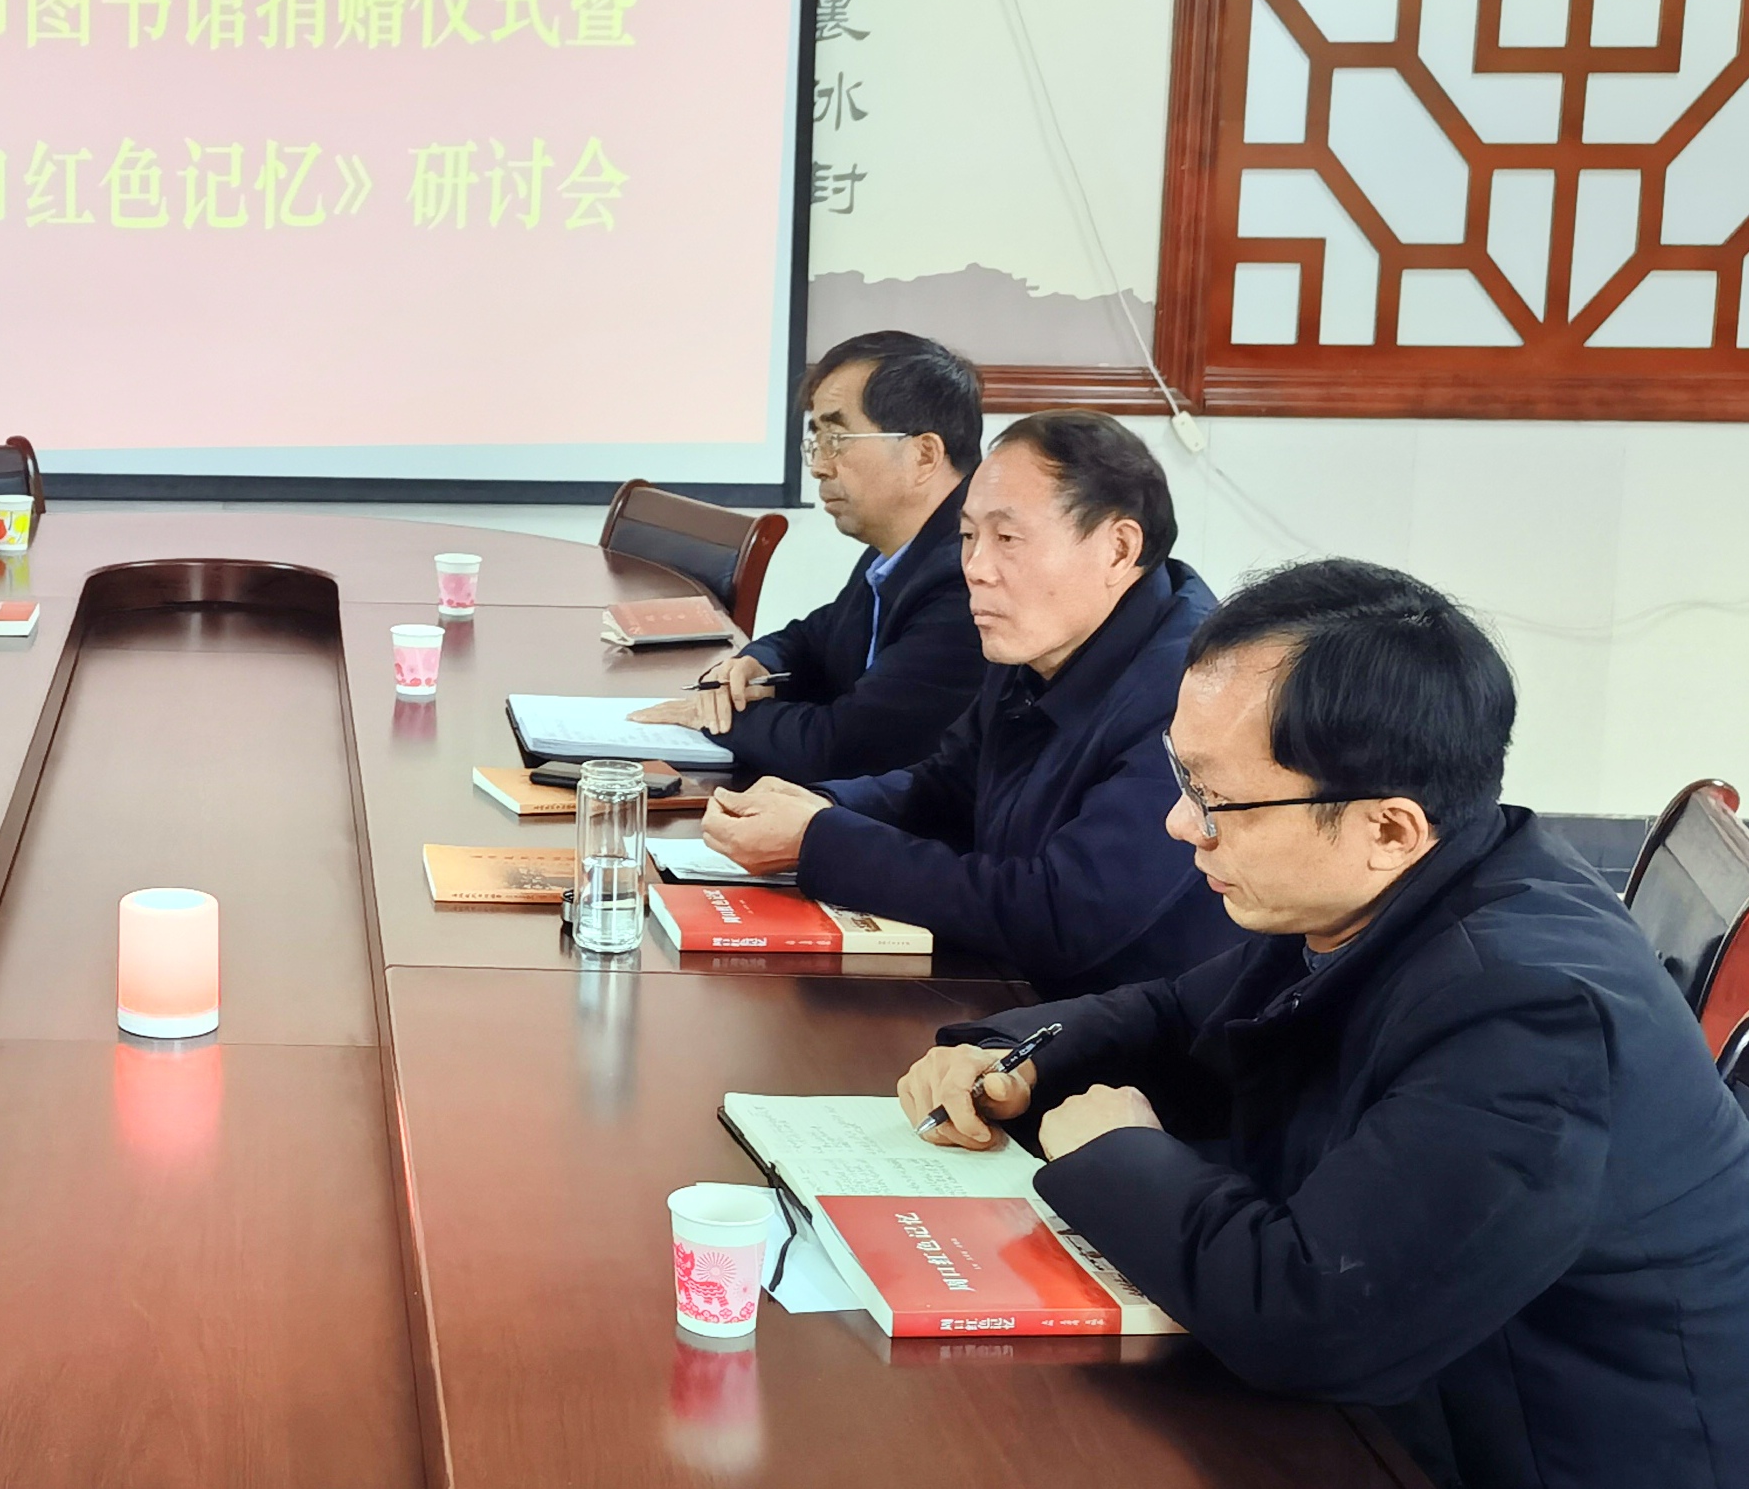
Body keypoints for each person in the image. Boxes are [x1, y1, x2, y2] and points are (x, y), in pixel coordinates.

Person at [897, 560, 1749, 1489]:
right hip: (1420, 1401)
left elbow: (1314, 1322)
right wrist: (1012, 1056)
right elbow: (1179, 1012)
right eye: (1182, 773)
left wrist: (1114, 1152)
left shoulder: (1527, 1014)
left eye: (1215, 799)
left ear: (1387, 828)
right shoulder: (1397, 881)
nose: (1180, 824)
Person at [700, 409, 1229, 996]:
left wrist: (820, 840)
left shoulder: (1194, 693)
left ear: (1118, 549)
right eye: (969, 536)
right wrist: (821, 804)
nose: (976, 570)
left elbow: (1063, 914)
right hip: (1008, 992)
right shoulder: (1042, 637)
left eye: (1007, 539)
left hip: (1137, 1031)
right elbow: (949, 786)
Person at [630, 330, 984, 784]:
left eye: (837, 439)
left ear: (924, 454)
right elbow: (817, 638)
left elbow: (844, 749)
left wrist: (717, 715)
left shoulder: (969, 576)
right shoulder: (902, 550)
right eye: (817, 441)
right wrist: (756, 665)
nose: (818, 466)